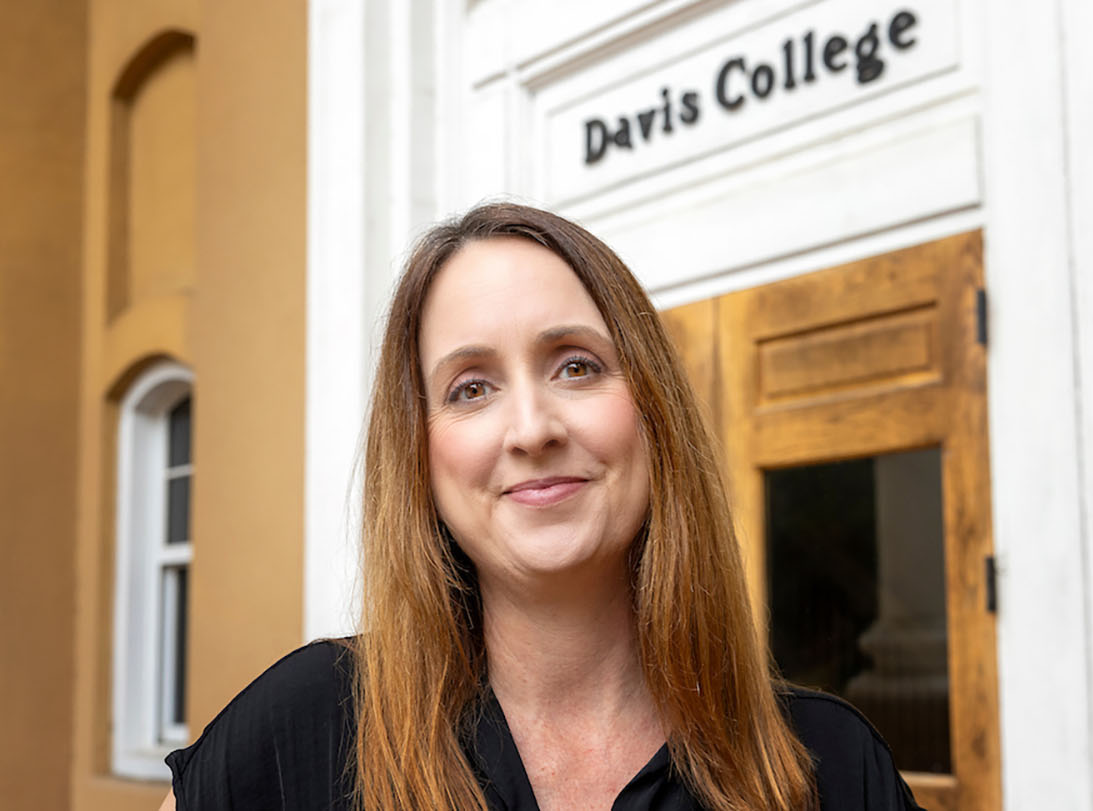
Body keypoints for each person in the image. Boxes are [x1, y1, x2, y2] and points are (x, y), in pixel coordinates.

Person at [159, 203, 922, 810]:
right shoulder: (310, 724)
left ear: (654, 412)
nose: (531, 429)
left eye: (576, 366)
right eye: (471, 387)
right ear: (420, 455)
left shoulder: (832, 765)